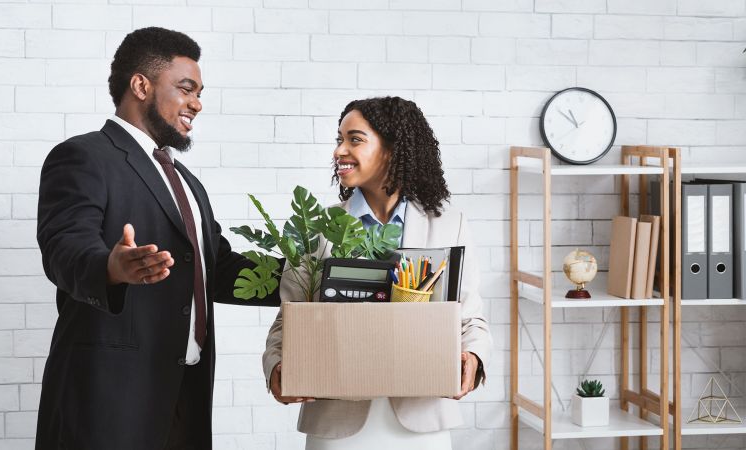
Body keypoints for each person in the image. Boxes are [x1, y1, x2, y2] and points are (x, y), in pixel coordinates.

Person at [35, 27, 279, 450]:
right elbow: (64, 247)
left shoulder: (187, 181)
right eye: (186, 89)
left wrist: (311, 279)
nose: (197, 103)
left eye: (200, 92)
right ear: (141, 85)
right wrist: (110, 267)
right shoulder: (82, 155)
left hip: (185, 397)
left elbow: (219, 270)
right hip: (108, 402)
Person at [262, 96, 493, 449]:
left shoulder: (450, 225)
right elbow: (287, 318)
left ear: (393, 149)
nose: (340, 150)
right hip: (338, 423)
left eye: (354, 139)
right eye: (339, 140)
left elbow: (470, 318)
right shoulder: (317, 229)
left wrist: (473, 357)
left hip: (422, 420)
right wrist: (277, 367)